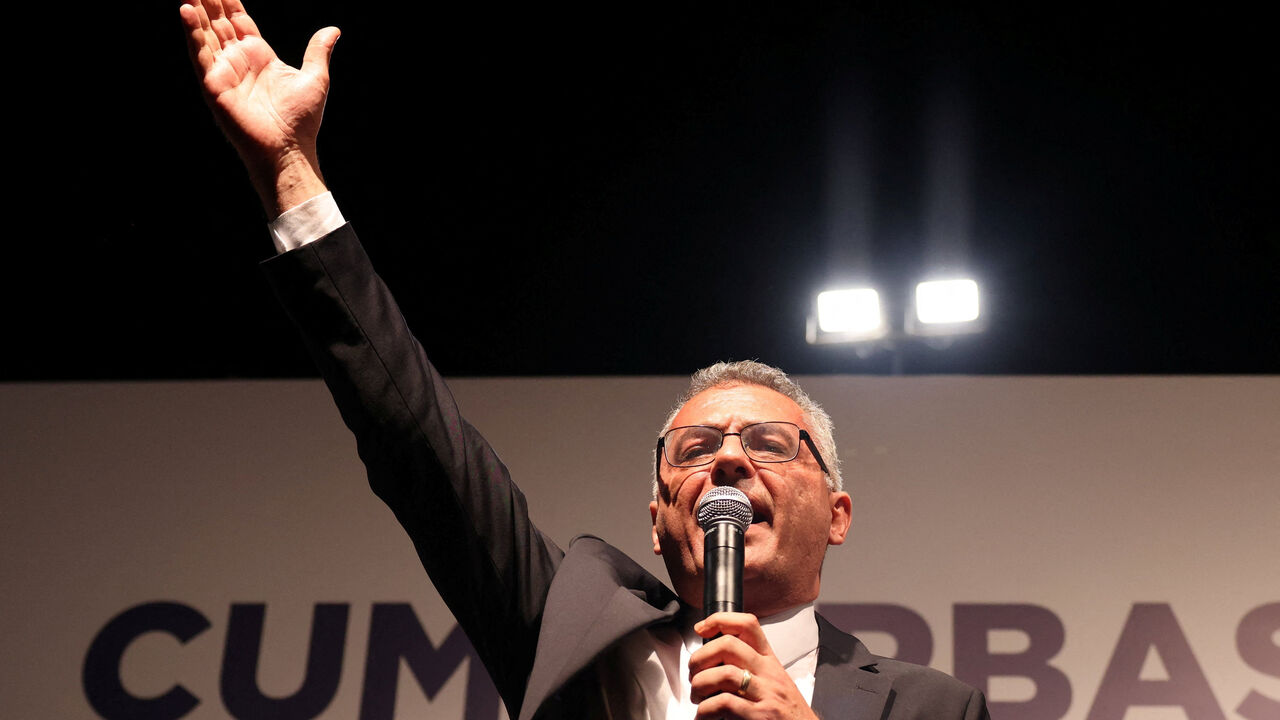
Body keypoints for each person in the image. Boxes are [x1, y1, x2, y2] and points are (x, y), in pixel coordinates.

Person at [180, 2, 990, 718]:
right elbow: (417, 441)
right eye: (694, 451)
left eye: (771, 444)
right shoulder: (579, 640)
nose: (731, 462)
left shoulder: (934, 707)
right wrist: (289, 172)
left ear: (838, 514)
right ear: (659, 517)